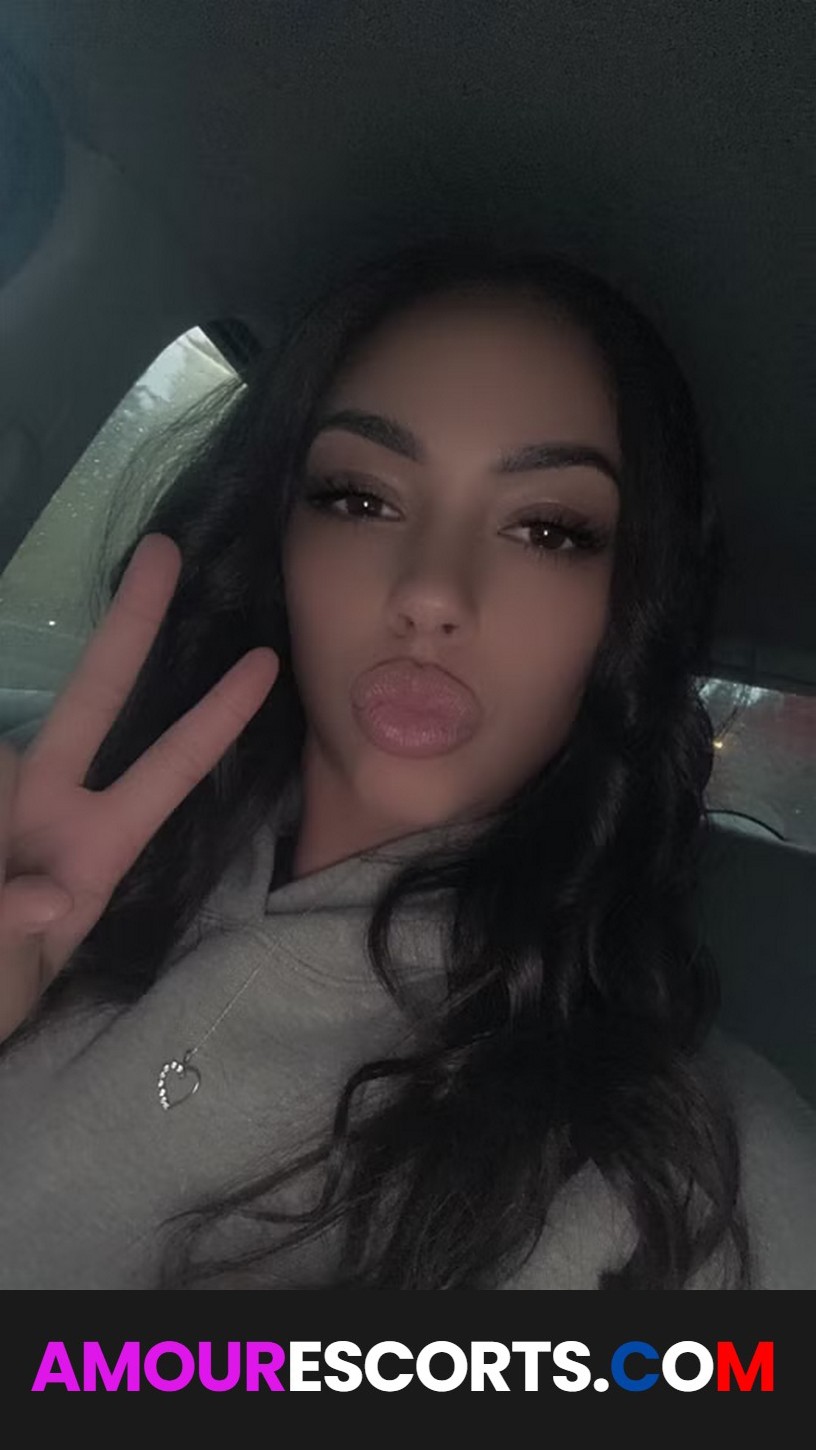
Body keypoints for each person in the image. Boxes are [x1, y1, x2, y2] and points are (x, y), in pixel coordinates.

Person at [0, 237, 813, 1290]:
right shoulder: (44, 844)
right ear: (277, 535)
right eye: (360, 497)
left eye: (548, 528)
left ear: (626, 612)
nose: (432, 591)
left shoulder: (699, 1189)